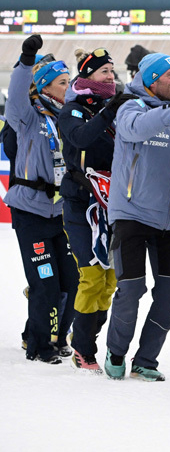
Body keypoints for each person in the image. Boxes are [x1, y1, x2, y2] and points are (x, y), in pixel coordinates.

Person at [104, 52, 170, 382]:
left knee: (169, 295)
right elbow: (135, 129)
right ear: (152, 80)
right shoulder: (130, 106)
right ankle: (117, 352)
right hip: (132, 215)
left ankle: (146, 359)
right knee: (131, 290)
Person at [58, 47, 136, 374]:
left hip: (113, 201)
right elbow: (82, 138)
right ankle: (83, 347)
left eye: (112, 71)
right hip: (81, 201)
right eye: (104, 72)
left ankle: (84, 331)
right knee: (91, 276)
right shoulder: (73, 109)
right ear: (87, 76)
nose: (110, 77)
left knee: (112, 277)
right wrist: (108, 113)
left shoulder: (114, 107)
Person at [4, 34, 77, 364]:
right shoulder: (28, 117)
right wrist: (26, 59)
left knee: (71, 282)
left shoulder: (72, 120)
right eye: (64, 83)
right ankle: (39, 345)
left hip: (62, 214)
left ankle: (59, 337)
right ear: (46, 87)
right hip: (30, 212)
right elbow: (18, 94)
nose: (69, 88)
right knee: (45, 283)